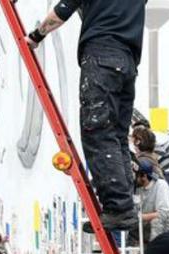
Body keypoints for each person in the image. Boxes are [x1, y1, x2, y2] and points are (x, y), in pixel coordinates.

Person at [27, 0, 145, 231]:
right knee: (117, 137)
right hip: (128, 63)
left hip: (102, 56)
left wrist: (36, 36)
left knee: (98, 133)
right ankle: (123, 206)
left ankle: (118, 208)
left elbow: (62, 11)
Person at [130, 120, 169, 197]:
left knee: (151, 182)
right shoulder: (153, 140)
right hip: (167, 172)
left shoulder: (158, 144)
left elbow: (149, 164)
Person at [133, 157, 169, 241]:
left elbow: (162, 214)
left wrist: (140, 217)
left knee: (156, 221)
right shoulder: (137, 188)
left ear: (144, 176)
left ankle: (155, 249)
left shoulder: (161, 186)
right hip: (143, 229)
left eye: (135, 175)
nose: (133, 178)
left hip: (164, 231)